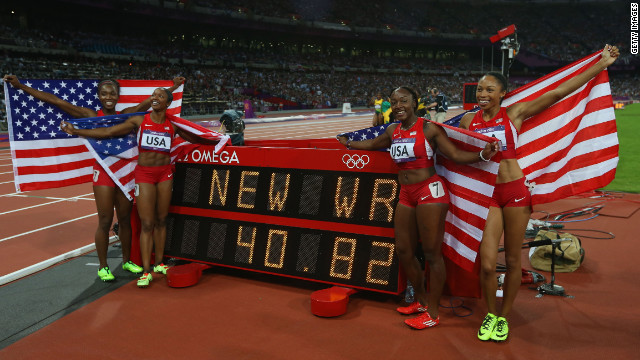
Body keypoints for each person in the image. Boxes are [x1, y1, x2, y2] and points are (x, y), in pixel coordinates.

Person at [459, 44, 619, 342]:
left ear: (502, 93)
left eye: (489, 89)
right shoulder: (469, 121)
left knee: (517, 261)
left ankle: (503, 318)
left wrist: (600, 65)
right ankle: (490, 315)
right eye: (479, 89)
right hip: (489, 195)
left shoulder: (515, 113)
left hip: (515, 193)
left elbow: (557, 94)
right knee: (487, 261)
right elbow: (457, 148)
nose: (482, 94)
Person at [337, 86, 498, 329]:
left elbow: (454, 154)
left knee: (433, 254)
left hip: (430, 191)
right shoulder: (393, 130)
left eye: (403, 101)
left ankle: (433, 313)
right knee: (403, 250)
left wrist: (482, 155)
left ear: (415, 102)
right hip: (406, 193)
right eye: (394, 102)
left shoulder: (428, 128)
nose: (398, 105)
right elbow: (372, 144)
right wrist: (349, 143)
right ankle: (422, 300)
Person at [2, 74, 185, 282]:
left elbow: (150, 102)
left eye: (113, 93)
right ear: (98, 96)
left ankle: (127, 260)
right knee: (105, 219)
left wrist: (174, 85)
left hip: (125, 173)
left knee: (125, 219)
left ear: (118, 96)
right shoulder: (89, 114)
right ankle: (103, 266)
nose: (109, 97)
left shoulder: (126, 114)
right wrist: (21, 86)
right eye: (104, 93)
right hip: (104, 171)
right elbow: (56, 101)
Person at [60, 87, 224, 288]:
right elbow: (108, 131)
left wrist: (218, 138)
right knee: (147, 223)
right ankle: (146, 271)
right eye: (153, 95)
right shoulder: (139, 121)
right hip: (144, 175)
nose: (154, 98)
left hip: (165, 174)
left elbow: (195, 138)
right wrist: (76, 131)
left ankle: (159, 263)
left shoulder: (172, 124)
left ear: (167, 103)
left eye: (160, 96)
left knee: (162, 221)